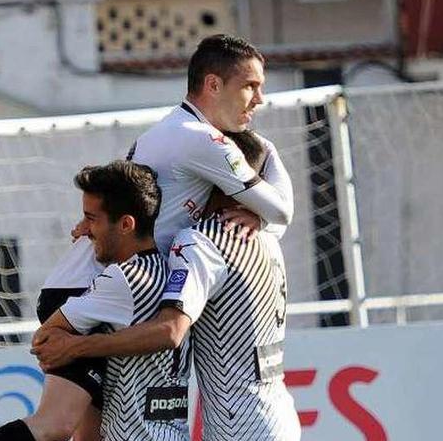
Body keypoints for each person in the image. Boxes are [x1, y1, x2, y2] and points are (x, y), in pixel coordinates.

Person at [34, 132, 301, 440]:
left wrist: (77, 347)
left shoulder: (201, 243)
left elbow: (170, 330)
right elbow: (278, 201)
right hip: (278, 413)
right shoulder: (266, 232)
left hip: (238, 427)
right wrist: (95, 221)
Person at [0, 161, 190, 441]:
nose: (82, 230)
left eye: (91, 219)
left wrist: (66, 347)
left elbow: (44, 338)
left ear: (127, 224)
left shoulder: (123, 279)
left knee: (50, 428)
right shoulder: (176, 273)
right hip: (172, 435)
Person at [129, 33, 293, 253]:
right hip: (124, 280)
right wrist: (262, 216)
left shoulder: (168, 128)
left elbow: (279, 219)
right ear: (214, 85)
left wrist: (261, 219)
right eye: (250, 86)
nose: (259, 99)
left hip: (107, 274)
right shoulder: (202, 138)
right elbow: (281, 211)